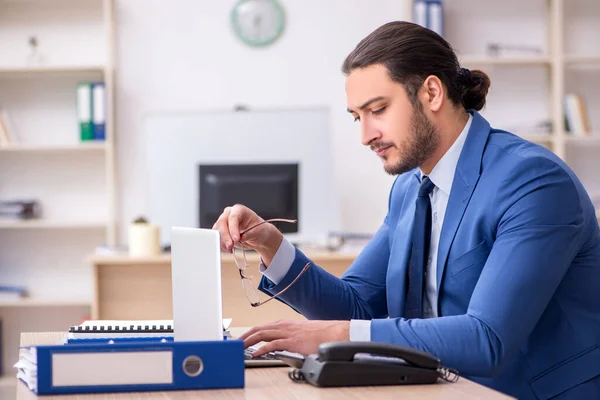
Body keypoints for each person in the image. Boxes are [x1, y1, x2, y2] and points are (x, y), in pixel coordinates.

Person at [212, 21, 600, 400]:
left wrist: (337, 336)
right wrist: (271, 244)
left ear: (432, 92)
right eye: (356, 117)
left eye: (377, 109)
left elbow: (488, 338)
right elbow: (357, 305)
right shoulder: (409, 188)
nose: (365, 136)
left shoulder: (532, 181)